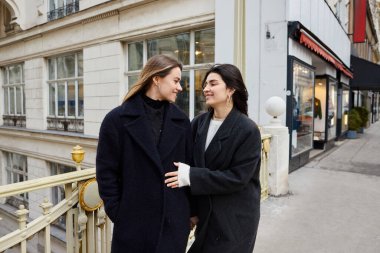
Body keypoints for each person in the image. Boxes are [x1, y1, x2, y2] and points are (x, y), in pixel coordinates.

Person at [96, 54, 193, 253]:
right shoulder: (117, 119)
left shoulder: (182, 122)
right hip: (133, 227)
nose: (180, 87)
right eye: (175, 80)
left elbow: (191, 167)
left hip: (172, 225)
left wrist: (188, 213)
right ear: (156, 79)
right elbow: (106, 172)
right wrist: (119, 212)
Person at [165, 64, 262, 253]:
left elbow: (238, 178)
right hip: (205, 214)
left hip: (234, 217)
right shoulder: (198, 123)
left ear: (231, 90)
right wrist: (192, 211)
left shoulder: (247, 129)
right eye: (205, 84)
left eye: (213, 83)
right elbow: (188, 163)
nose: (206, 89)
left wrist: (192, 176)